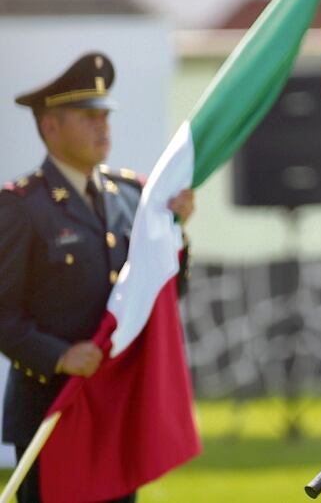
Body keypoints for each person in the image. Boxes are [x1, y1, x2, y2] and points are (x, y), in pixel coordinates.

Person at [0, 52, 194, 503]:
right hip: (53, 405)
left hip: (115, 402)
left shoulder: (132, 195)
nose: (103, 127)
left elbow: (163, 290)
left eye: (105, 115)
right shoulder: (23, 206)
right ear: (51, 126)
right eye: (88, 117)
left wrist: (176, 231)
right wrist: (60, 356)